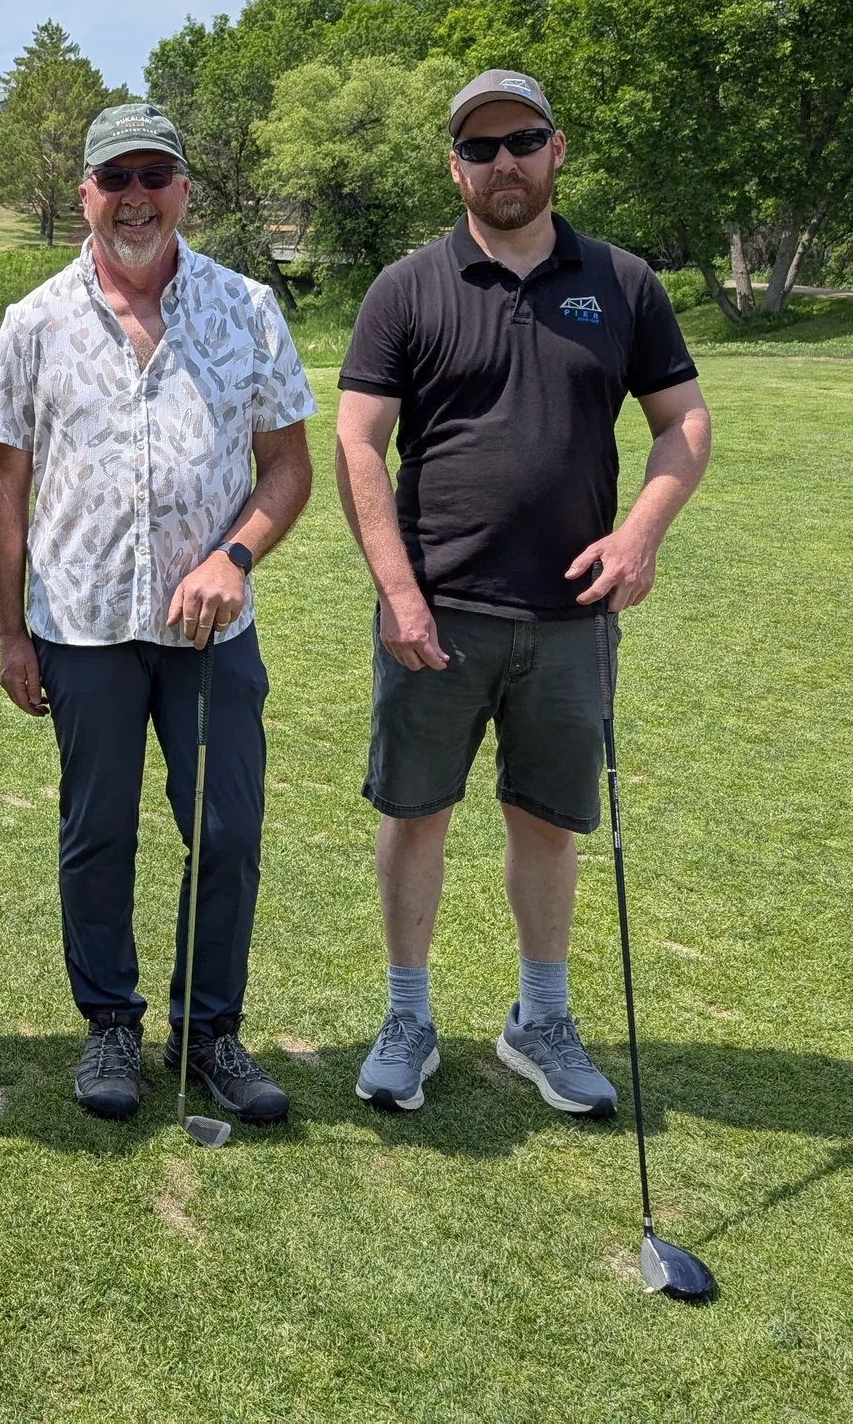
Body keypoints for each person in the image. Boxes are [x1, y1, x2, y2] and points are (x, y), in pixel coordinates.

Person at [335, 69, 711, 1118]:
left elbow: (682, 423)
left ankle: (537, 1018)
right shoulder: (406, 287)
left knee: (545, 818)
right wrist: (396, 588)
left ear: (555, 151)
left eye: (522, 140)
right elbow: (359, 445)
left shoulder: (622, 282)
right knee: (416, 814)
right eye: (480, 147)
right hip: (436, 612)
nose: (502, 162)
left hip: (570, 617)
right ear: (454, 165)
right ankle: (408, 1016)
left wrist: (641, 532)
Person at [0, 103, 316, 1125]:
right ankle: (111, 1027)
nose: (134, 195)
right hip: (79, 625)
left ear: (183, 190)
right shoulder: (33, 321)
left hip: (209, 631)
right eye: (113, 176)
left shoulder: (245, 307)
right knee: (97, 833)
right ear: (82, 192)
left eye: (154, 175)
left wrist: (234, 554)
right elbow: (2, 488)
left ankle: (210, 1028)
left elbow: (289, 468)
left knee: (225, 828)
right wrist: (8, 630)